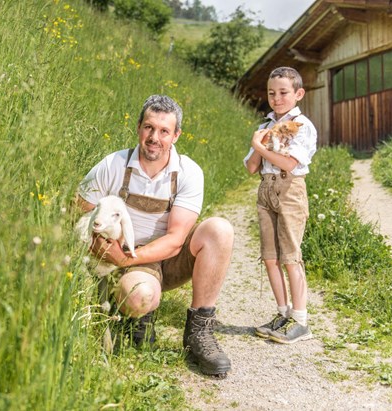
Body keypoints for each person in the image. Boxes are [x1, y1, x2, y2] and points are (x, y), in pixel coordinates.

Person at [77, 95, 234, 377]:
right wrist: (102, 245)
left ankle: (200, 332)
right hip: (134, 260)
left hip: (165, 257)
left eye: (164, 131)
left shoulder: (188, 172)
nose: (154, 138)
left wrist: (122, 258)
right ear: (138, 127)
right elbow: (78, 209)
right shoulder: (113, 164)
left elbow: (176, 239)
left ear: (176, 135)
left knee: (219, 230)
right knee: (139, 297)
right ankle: (134, 310)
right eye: (149, 127)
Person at [244, 67, 317, 344]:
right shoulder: (265, 127)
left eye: (284, 92)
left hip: (289, 190)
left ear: (298, 94)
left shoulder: (302, 126)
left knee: (290, 256)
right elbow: (252, 167)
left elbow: (289, 163)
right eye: (272, 93)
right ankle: (282, 313)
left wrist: (260, 147)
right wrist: (257, 144)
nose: (277, 98)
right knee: (270, 257)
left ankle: (300, 320)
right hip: (266, 189)